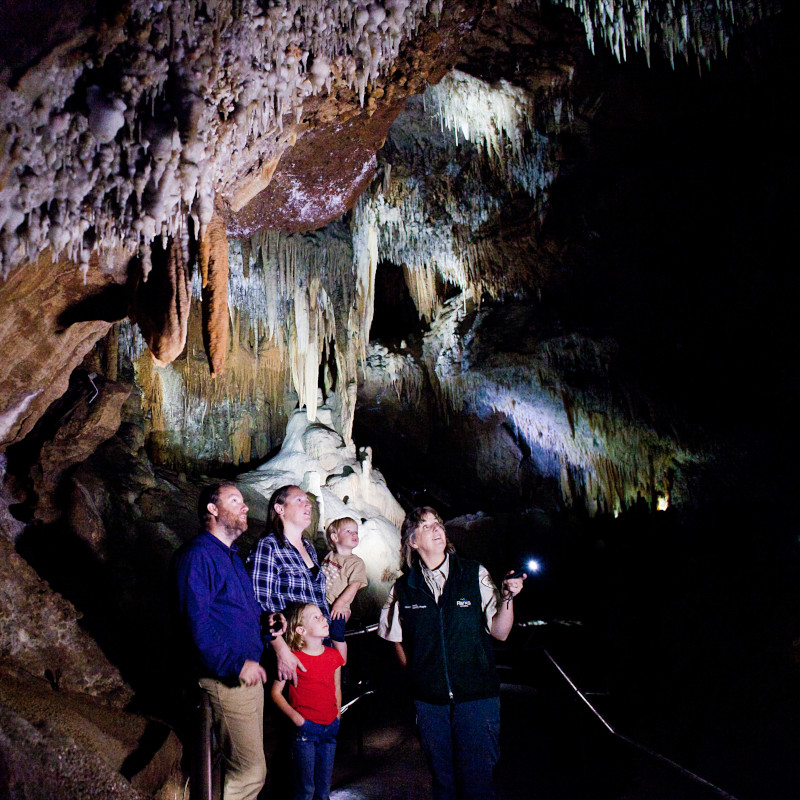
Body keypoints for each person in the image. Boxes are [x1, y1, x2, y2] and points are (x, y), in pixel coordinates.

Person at [378, 506, 525, 800]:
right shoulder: (403, 589)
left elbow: (501, 631)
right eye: (426, 526)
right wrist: (418, 679)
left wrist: (508, 597)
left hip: (476, 697)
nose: (436, 530)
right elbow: (396, 638)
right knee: (443, 783)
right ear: (412, 541)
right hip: (431, 705)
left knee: (478, 784)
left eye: (438, 524)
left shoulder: (473, 574)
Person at [173, 481, 268, 800]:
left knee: (244, 768)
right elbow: (195, 623)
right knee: (249, 772)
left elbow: (235, 615)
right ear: (212, 510)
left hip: (247, 674)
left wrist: (268, 627)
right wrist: (235, 664)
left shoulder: (231, 557)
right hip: (226, 678)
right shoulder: (199, 555)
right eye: (234, 500)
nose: (245, 507)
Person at [247, 484, 329, 684]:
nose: (307, 505)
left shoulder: (308, 547)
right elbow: (259, 604)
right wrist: (281, 650)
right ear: (280, 509)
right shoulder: (269, 546)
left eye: (308, 502)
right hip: (292, 647)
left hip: (318, 644)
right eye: (299, 500)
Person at [270, 603, 346, 800]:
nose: (324, 619)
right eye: (316, 617)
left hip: (330, 727)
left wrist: (337, 714)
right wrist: (297, 718)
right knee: (305, 789)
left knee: (323, 789)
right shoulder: (292, 659)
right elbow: (276, 693)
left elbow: (337, 687)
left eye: (322, 616)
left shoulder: (333, 655)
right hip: (305, 730)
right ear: (301, 630)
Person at [321, 517, 368, 659]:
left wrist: (340, 604)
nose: (354, 535)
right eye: (349, 531)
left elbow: (355, 585)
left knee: (336, 634)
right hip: (324, 602)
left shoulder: (356, 563)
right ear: (335, 537)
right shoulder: (330, 556)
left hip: (338, 608)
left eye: (356, 532)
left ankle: (342, 661)